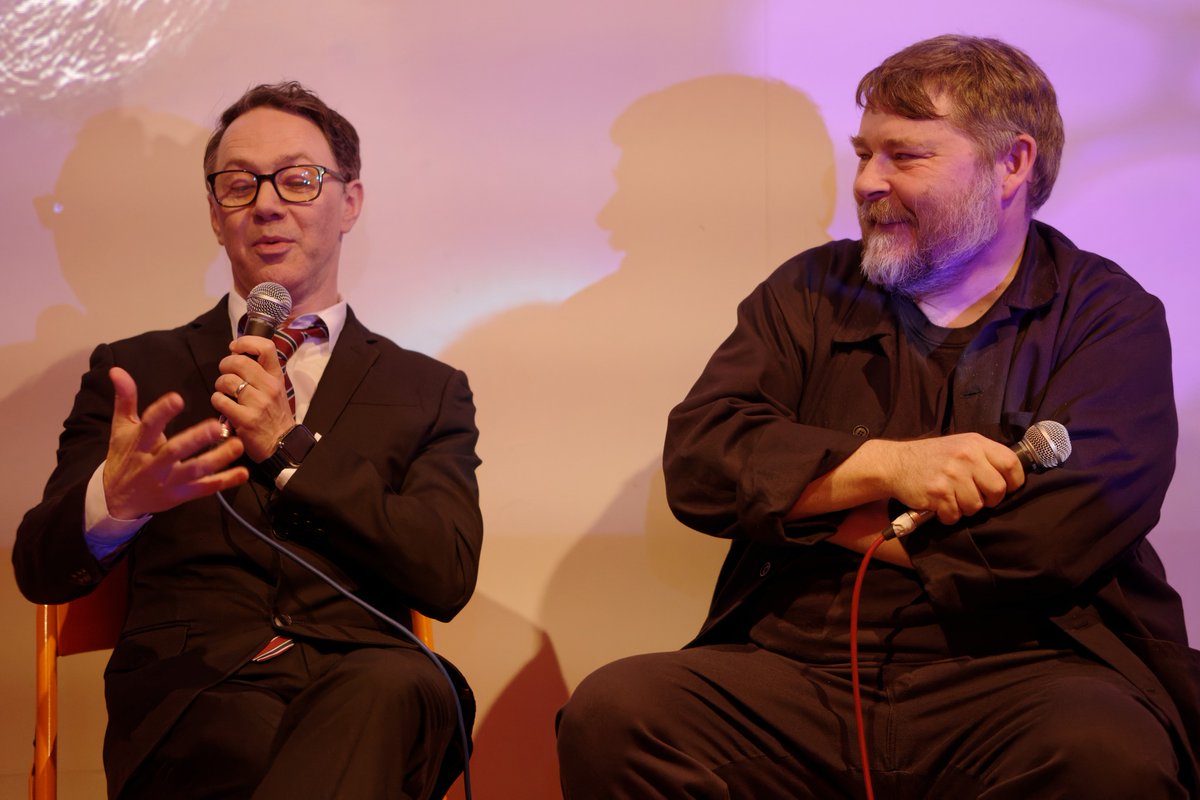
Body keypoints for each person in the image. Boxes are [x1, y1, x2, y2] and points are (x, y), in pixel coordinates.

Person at [557, 34, 1199, 798]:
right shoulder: (808, 291)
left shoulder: (1108, 315)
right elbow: (700, 465)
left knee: (1109, 754)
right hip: (802, 666)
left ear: (1012, 164)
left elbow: (1050, 539)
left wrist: (809, 508)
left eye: (905, 156)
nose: (867, 182)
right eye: (864, 154)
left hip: (1031, 670)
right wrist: (890, 466)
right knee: (618, 713)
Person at [14, 81, 483, 800]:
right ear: (215, 212)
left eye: (298, 180)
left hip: (371, 687)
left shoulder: (428, 388)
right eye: (239, 184)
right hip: (195, 702)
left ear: (349, 201)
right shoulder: (138, 371)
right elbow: (39, 569)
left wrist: (289, 447)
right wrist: (117, 501)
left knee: (393, 687)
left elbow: (445, 575)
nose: (267, 203)